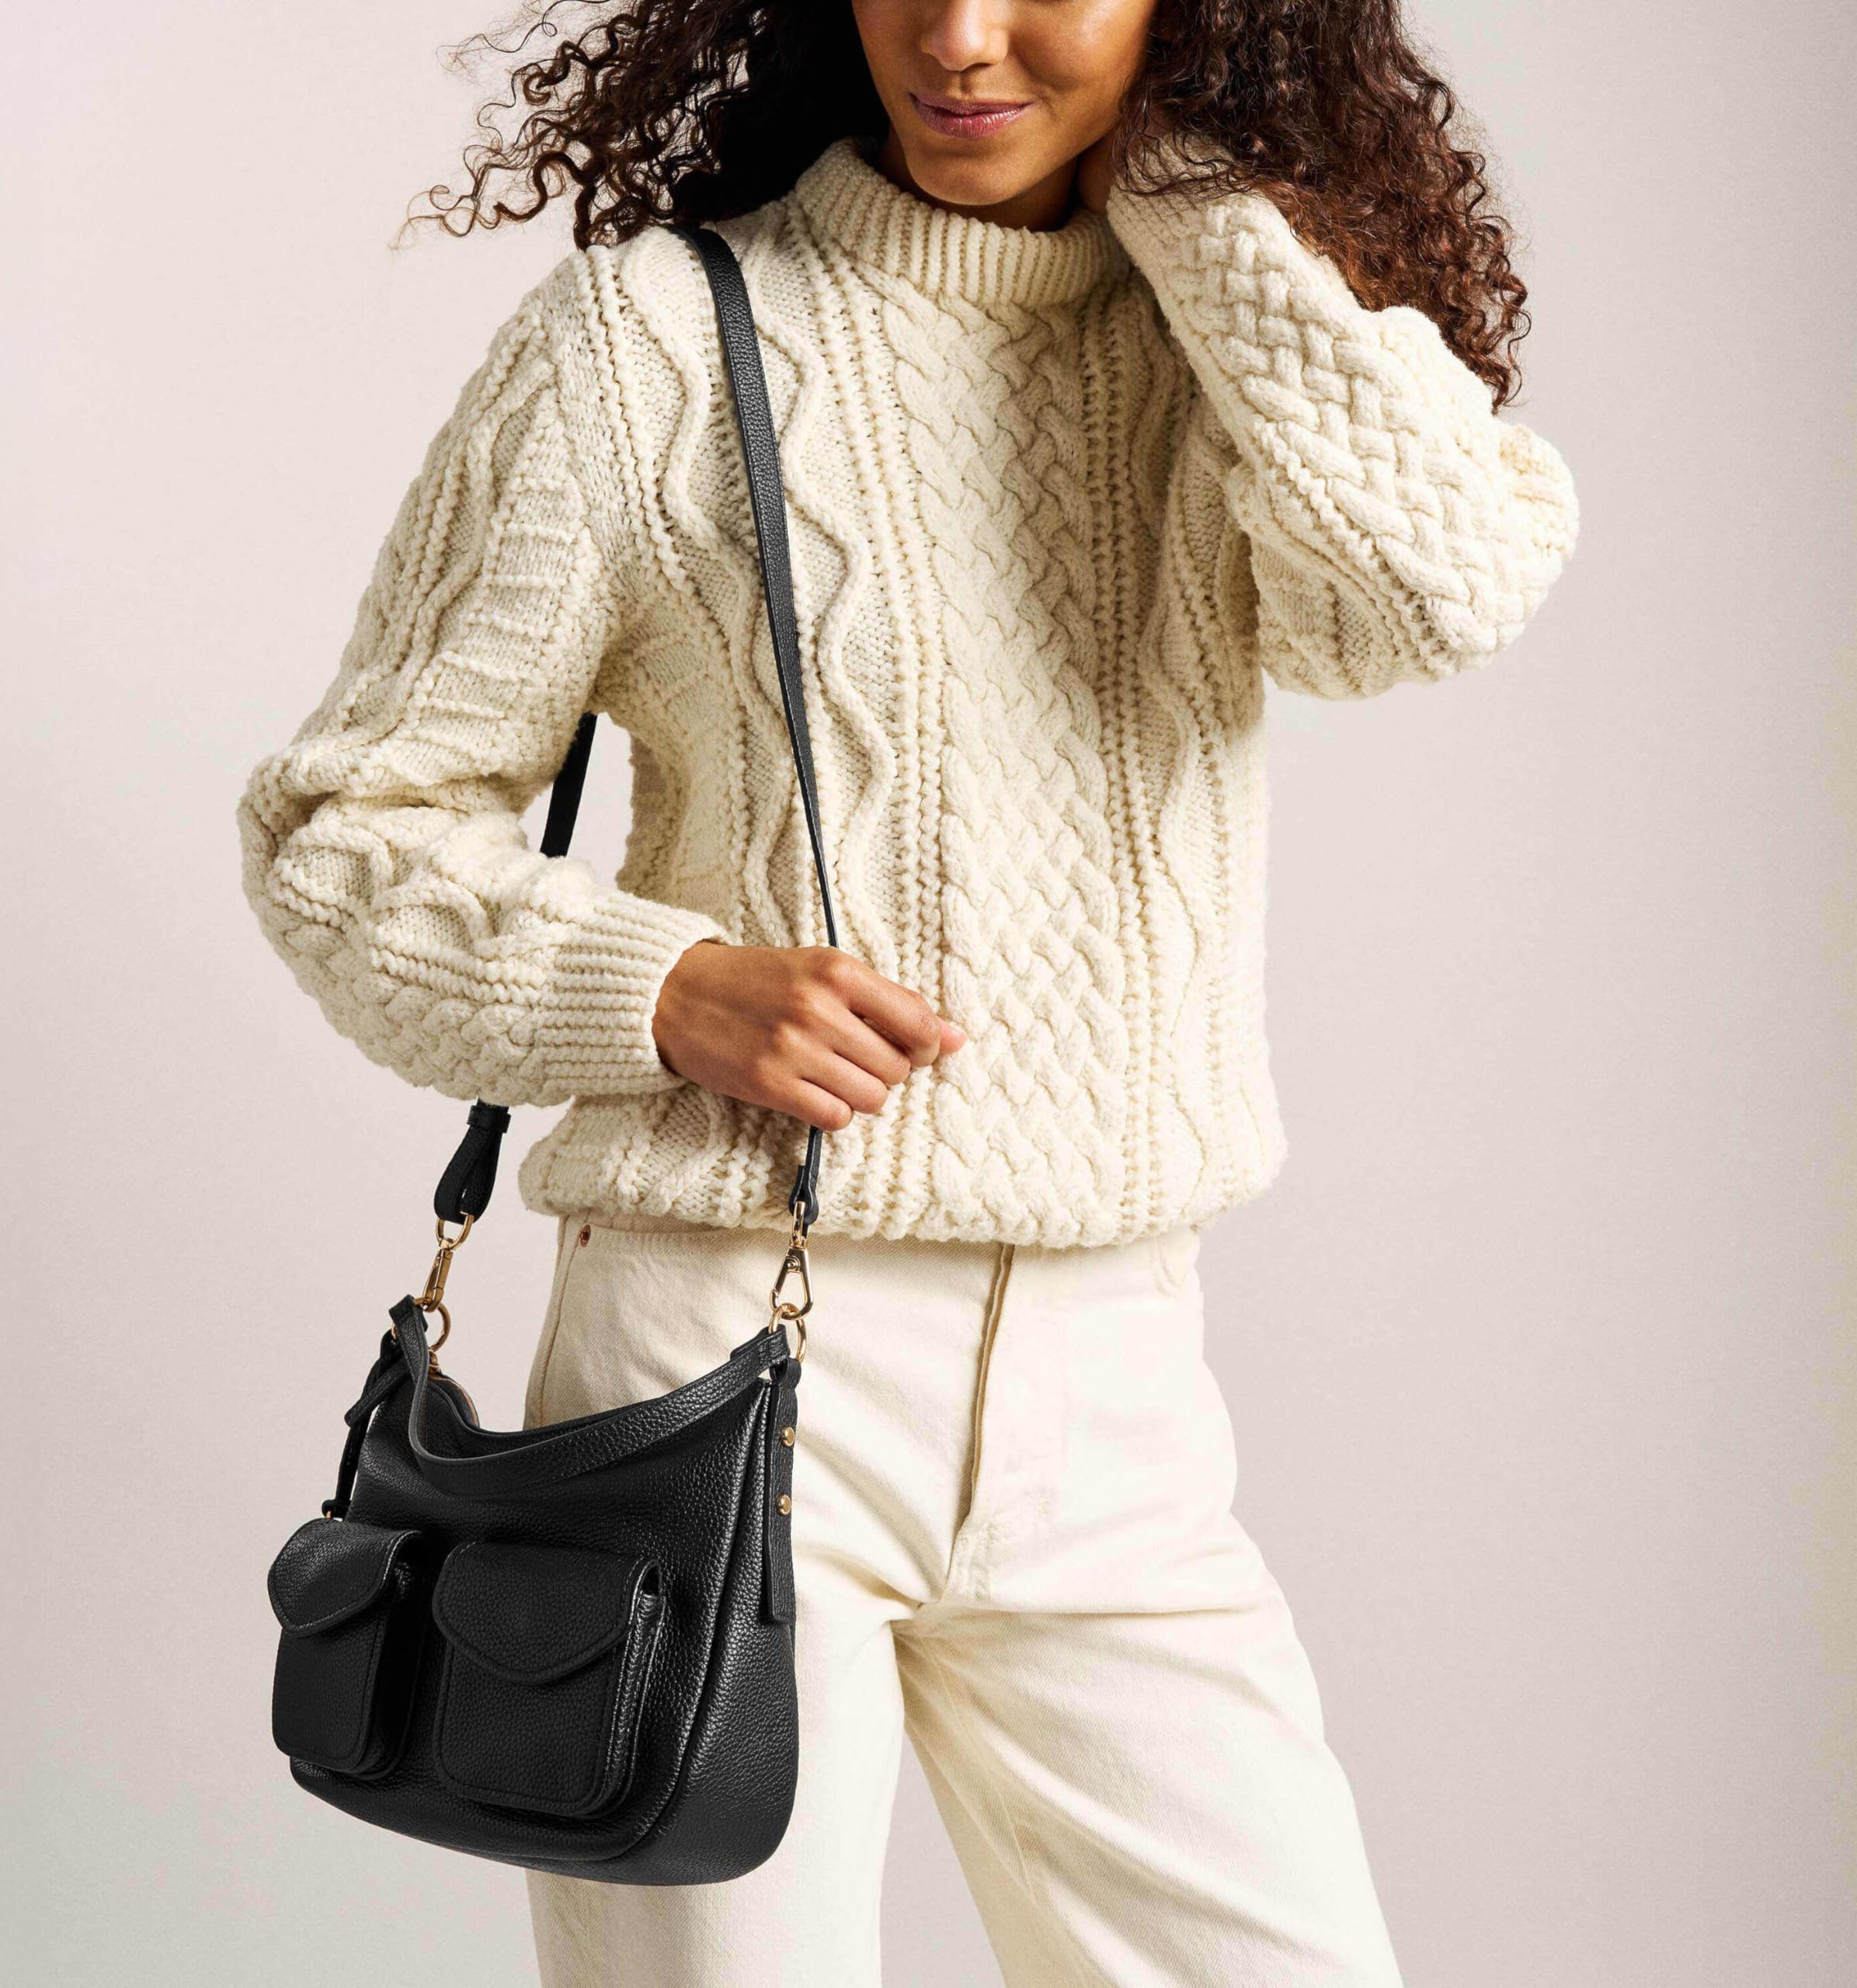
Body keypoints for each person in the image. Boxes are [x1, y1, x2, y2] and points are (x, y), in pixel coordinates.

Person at [236, 2, 1577, 1981]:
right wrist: (664, 984)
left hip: (1120, 1380)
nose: (956, 38)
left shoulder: (1227, 343)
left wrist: (1197, 191)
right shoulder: (648, 339)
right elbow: (343, 827)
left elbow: (1426, 597)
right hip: (714, 1362)